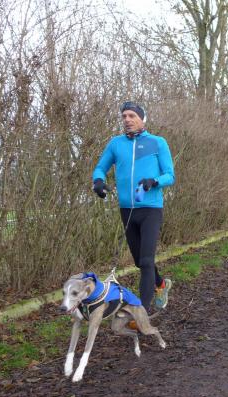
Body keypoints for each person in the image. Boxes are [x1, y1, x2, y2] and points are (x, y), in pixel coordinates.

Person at [92, 101, 175, 313]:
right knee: (140, 261)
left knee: (147, 261)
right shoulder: (116, 144)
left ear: (142, 119)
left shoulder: (157, 142)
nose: (127, 120)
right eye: (124, 116)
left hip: (151, 209)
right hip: (127, 210)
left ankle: (141, 312)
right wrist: (98, 181)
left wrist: (153, 181)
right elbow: (100, 167)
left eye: (132, 116)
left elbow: (170, 175)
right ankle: (160, 285)